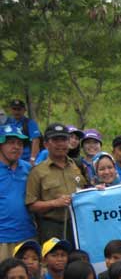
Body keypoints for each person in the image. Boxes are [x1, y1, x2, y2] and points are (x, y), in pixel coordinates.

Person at [25, 123, 87, 244]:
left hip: (78, 226)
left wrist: (97, 190)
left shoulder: (77, 166)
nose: (60, 144)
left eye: (63, 139)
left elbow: (86, 189)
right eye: (55, 140)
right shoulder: (37, 172)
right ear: (46, 144)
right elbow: (31, 205)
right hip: (51, 227)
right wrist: (54, 203)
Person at [0, 125, 36, 260]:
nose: (16, 147)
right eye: (10, 142)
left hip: (27, 236)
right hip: (2, 238)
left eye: (20, 143)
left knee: (29, 278)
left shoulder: (28, 168)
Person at [5, 99, 40, 163]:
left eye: (19, 109)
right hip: (10, 159)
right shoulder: (7, 123)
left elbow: (36, 141)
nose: (16, 112)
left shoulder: (30, 123)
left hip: (26, 159)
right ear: (10, 110)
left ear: (24, 110)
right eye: (14, 109)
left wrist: (32, 159)